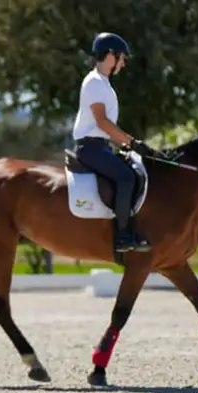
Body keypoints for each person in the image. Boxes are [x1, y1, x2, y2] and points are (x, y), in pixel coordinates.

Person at [71, 32, 161, 253]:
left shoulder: (104, 84)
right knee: (125, 177)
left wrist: (128, 146)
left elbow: (105, 126)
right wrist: (132, 142)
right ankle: (121, 236)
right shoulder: (94, 82)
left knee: (133, 171)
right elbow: (101, 121)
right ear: (110, 55)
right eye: (122, 58)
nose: (123, 63)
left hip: (100, 145)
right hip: (90, 147)